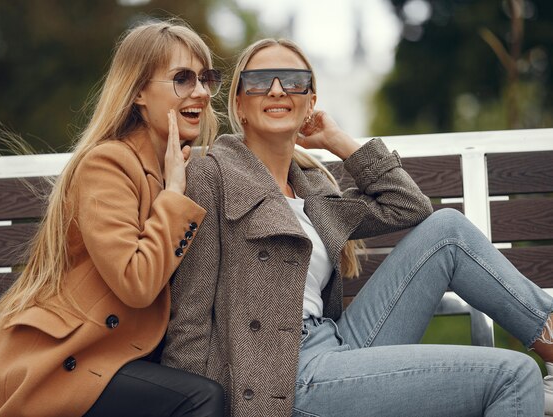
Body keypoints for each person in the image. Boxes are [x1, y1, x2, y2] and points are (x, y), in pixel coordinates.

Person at [161, 37, 553, 417]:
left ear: (310, 101)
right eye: (261, 81)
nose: (277, 90)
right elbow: (191, 315)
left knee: (447, 230)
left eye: (294, 81)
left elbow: (410, 207)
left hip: (337, 344)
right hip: (279, 378)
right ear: (240, 104)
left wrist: (338, 141)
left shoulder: (313, 187)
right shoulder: (212, 175)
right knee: (514, 376)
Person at [0, 21, 225, 417]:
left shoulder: (179, 166)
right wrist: (172, 194)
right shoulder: (109, 163)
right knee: (202, 399)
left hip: (120, 358)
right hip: (65, 368)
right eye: (183, 79)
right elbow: (137, 283)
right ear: (138, 91)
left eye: (206, 78)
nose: (201, 92)